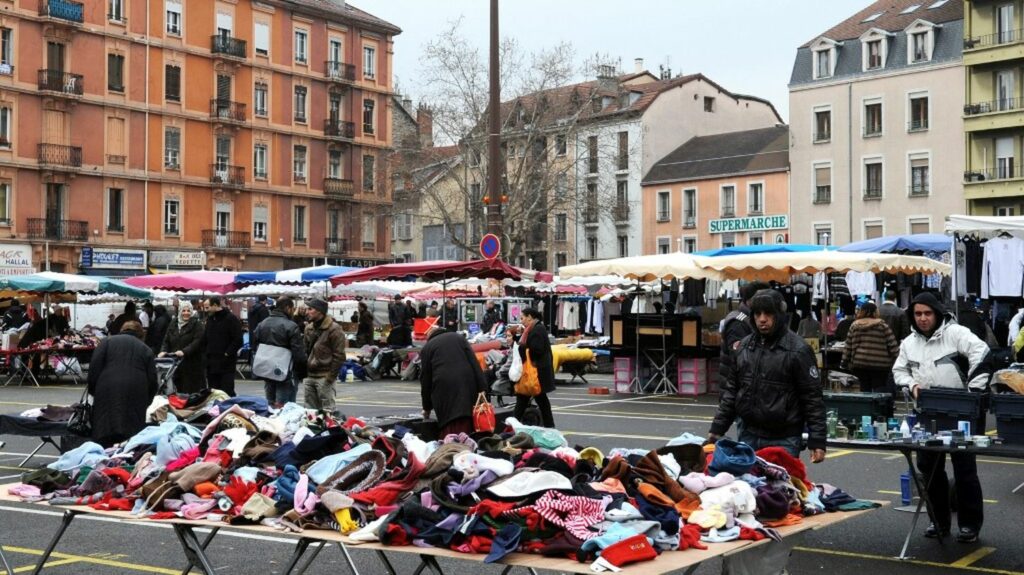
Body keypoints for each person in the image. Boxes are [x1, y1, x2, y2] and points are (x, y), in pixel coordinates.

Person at [893, 292, 990, 543]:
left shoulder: (956, 333)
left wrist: (974, 391)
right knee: (930, 470)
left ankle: (969, 525)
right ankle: (938, 522)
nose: (923, 318)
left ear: (937, 312)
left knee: (964, 470)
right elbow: (898, 370)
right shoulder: (908, 343)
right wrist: (911, 384)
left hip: (960, 411)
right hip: (926, 412)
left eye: (928, 313)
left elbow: (982, 352)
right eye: (918, 314)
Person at [708, 289, 827, 461]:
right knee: (749, 485)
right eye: (757, 314)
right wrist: (717, 428)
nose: (762, 319)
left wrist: (817, 441)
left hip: (784, 438)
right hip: (748, 434)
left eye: (768, 313)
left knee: (779, 486)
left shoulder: (798, 350)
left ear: (779, 315)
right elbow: (732, 391)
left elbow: (812, 398)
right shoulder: (745, 347)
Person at [87, 321, 157, 447]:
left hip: (106, 391)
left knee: (104, 434)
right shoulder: (145, 349)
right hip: (136, 393)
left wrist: (94, 391)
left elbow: (94, 369)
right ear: (141, 333)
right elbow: (152, 380)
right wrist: (146, 401)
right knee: (130, 440)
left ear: (122, 330)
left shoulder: (106, 342)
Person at [419, 327, 489, 437]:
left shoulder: (428, 347)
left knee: (450, 423)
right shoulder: (459, 338)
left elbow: (425, 379)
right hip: (468, 382)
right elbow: (475, 364)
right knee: (468, 417)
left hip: (443, 387)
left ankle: (454, 444)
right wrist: (483, 388)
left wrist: (426, 407)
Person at [252, 297, 307, 408]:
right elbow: (298, 353)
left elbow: (254, 345)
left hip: (267, 370)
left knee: (270, 405)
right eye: (292, 308)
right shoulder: (291, 326)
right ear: (287, 308)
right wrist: (302, 373)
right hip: (286, 372)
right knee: (286, 407)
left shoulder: (262, 324)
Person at [841, 302, 899, 393]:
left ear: (862, 311)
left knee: (864, 388)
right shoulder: (883, 326)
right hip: (880, 365)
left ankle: (866, 406)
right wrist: (897, 360)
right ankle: (878, 406)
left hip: (860, 364)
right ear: (876, 312)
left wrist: (844, 362)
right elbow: (892, 345)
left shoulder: (855, 326)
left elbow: (848, 346)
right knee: (879, 387)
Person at [513, 307, 556, 428]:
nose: (521, 321)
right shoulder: (535, 328)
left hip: (536, 371)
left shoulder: (537, 330)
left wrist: (523, 348)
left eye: (522, 318)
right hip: (537, 371)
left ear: (529, 317)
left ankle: (513, 425)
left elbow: (536, 349)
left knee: (528, 399)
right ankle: (549, 426)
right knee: (534, 400)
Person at [303, 298, 346, 412]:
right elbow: (305, 351)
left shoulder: (334, 329)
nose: (307, 312)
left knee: (328, 412)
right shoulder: (309, 328)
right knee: (309, 412)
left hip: (324, 377)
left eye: (310, 309)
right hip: (310, 376)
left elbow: (339, 356)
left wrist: (330, 378)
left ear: (319, 311)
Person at [160, 301, 206, 394]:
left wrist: (184, 351)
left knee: (190, 390)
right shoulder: (173, 323)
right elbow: (166, 340)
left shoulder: (197, 325)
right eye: (184, 310)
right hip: (175, 362)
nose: (186, 313)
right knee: (176, 387)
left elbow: (197, 342)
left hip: (191, 363)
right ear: (180, 311)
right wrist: (163, 351)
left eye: (188, 310)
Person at [203, 297, 243, 396]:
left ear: (215, 305)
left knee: (227, 391)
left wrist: (227, 353)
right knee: (213, 392)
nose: (206, 310)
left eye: (208, 307)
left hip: (226, 363)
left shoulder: (231, 318)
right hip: (212, 362)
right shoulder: (210, 319)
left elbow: (238, 340)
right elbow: (205, 338)